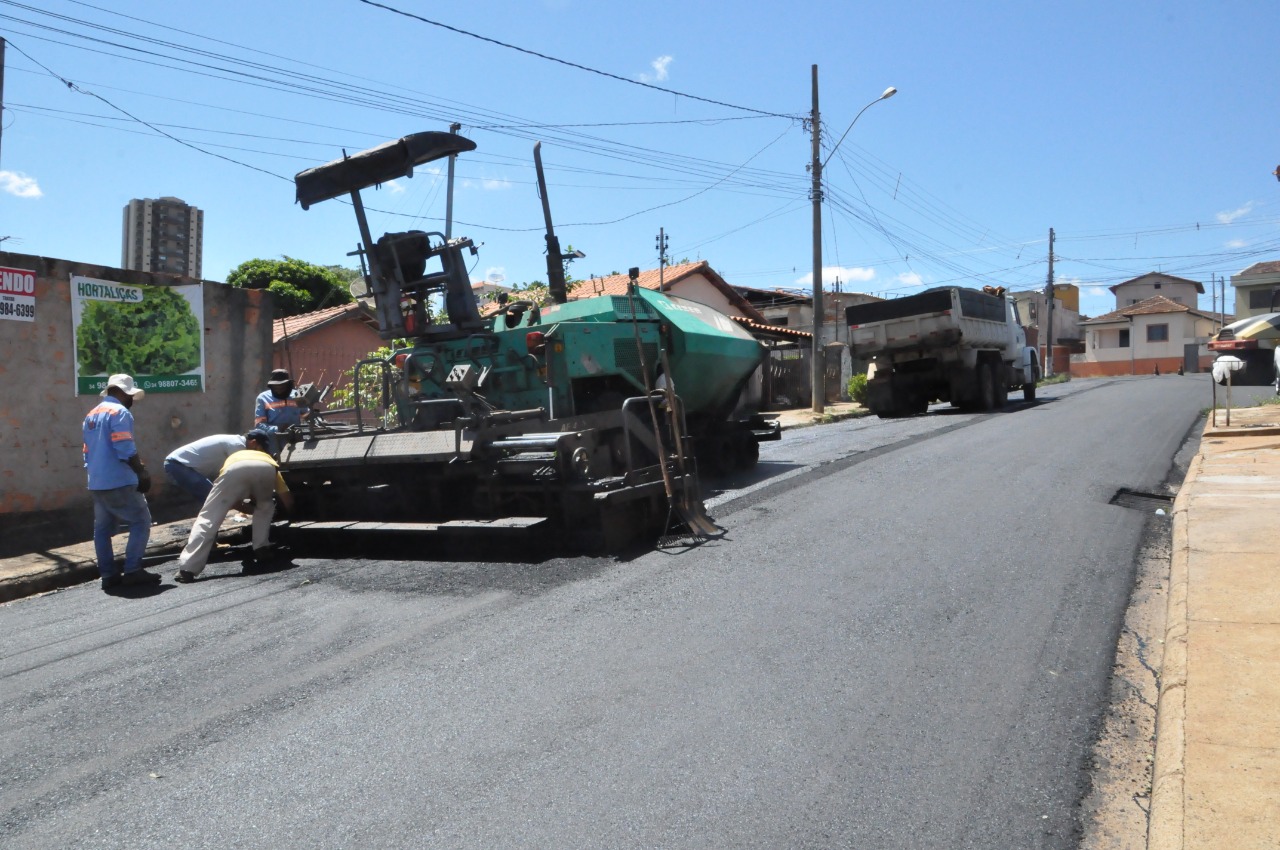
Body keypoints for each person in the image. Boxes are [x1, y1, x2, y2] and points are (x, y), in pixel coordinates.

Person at [172, 429, 295, 583]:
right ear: (258, 446)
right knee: (265, 505)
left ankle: (187, 569)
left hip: (234, 469)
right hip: (267, 469)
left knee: (209, 517)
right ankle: (262, 547)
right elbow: (286, 497)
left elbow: (230, 499)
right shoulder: (268, 459)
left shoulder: (235, 454)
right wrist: (291, 514)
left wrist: (242, 507)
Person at [82, 374, 161, 590]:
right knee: (141, 521)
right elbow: (124, 446)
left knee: (102, 529)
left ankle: (108, 575)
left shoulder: (91, 415)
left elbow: (87, 452)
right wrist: (141, 472)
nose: (132, 400)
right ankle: (133, 570)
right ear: (122, 393)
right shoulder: (119, 412)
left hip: (97, 481)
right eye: (131, 396)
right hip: (119, 479)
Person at [163, 433, 247, 502]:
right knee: (213, 498)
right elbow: (239, 472)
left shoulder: (234, 440)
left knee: (211, 496)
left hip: (178, 464)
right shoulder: (238, 445)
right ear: (253, 442)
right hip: (179, 464)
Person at [254, 369, 314, 453]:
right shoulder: (263, 398)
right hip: (273, 444)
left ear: (288, 384)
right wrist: (278, 428)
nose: (279, 389)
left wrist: (310, 416)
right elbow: (259, 424)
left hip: (295, 442)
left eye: (282, 386)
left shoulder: (297, 395)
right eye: (276, 386)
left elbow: (306, 414)